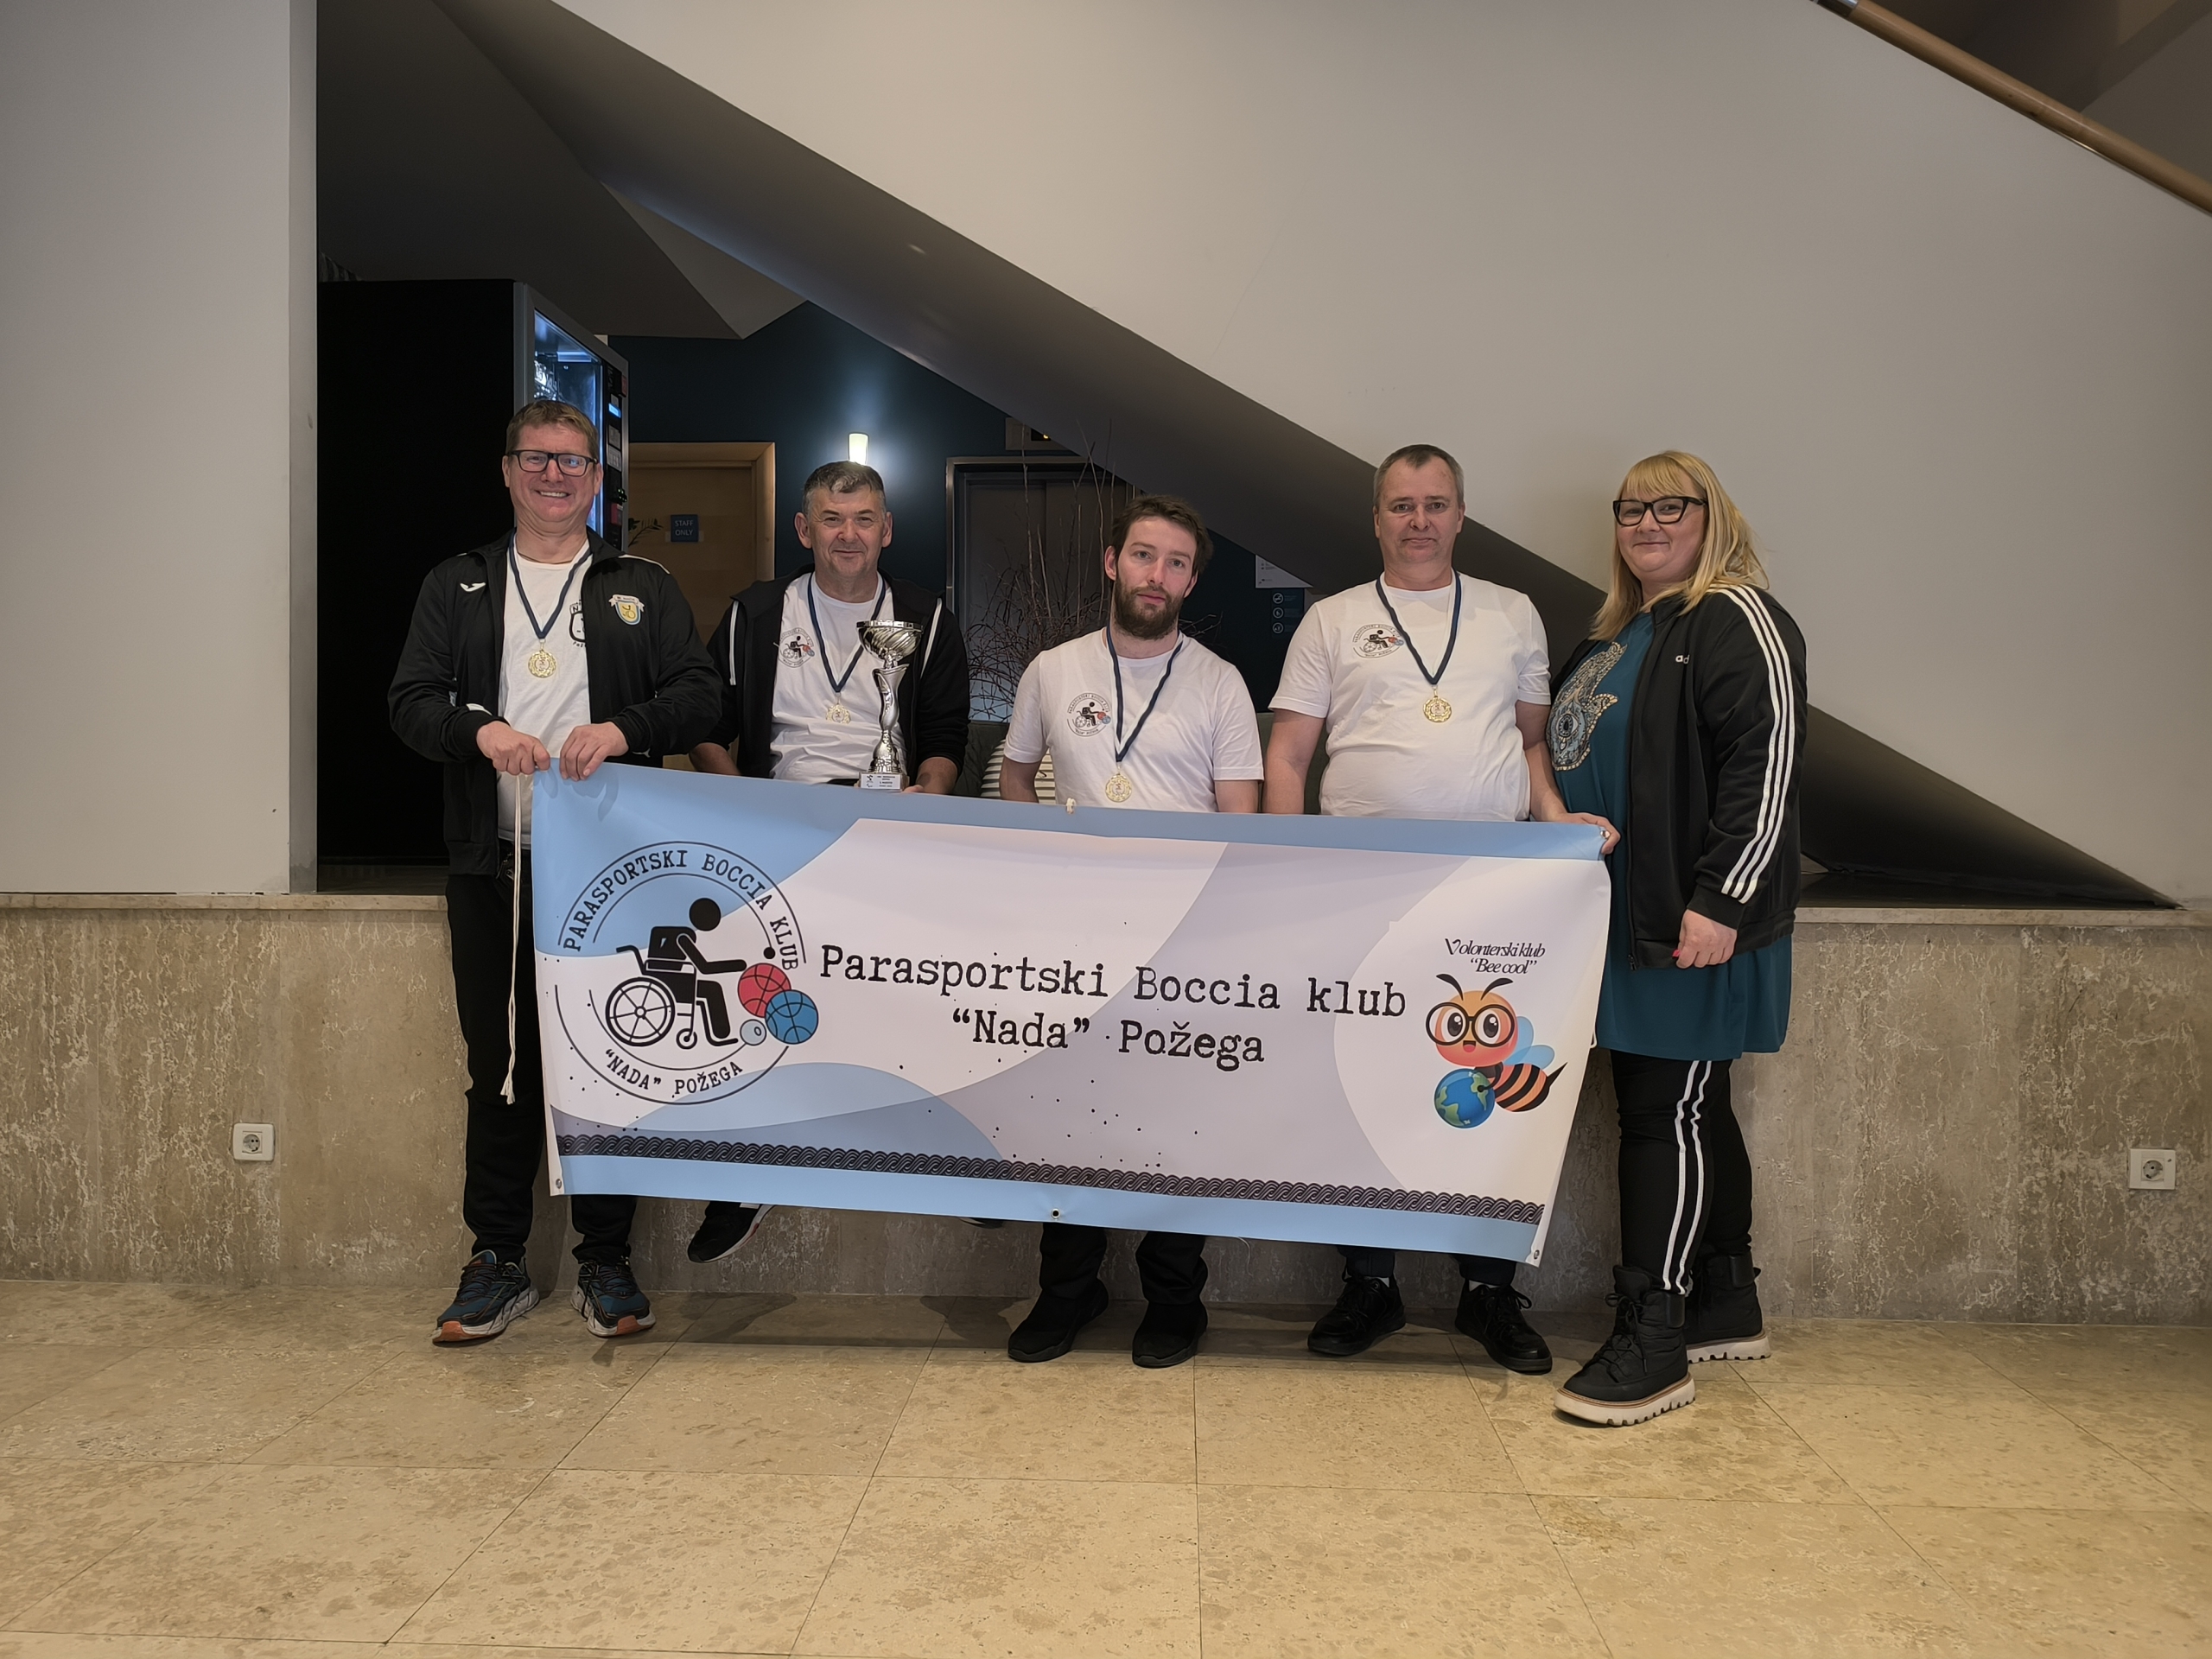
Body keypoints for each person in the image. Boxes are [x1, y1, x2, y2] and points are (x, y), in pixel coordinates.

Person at [1264, 443, 1612, 1369]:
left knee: (1493, 1078)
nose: (1417, 521)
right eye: (1400, 505)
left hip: (1490, 887)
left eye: (1435, 504)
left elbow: (1530, 745)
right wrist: (1284, 868)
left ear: (1461, 515)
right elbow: (1289, 756)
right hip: (1360, 888)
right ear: (1376, 519)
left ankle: (1488, 1292)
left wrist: (1557, 823)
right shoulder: (1333, 620)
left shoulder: (1512, 613)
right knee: (1363, 1077)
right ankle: (1369, 1284)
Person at [391, 397, 721, 1344]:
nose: (553, 475)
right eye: (536, 458)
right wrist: (478, 731)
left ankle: (605, 1262)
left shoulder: (640, 585)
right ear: (507, 471)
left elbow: (702, 696)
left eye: (572, 461)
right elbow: (410, 701)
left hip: (610, 875)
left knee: (612, 1061)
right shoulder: (457, 583)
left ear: (594, 479)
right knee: (499, 1067)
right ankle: (496, 1260)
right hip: (491, 867)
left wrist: (624, 729)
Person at [1548, 451, 1804, 1427]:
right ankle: (1724, 1299)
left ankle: (1653, 1341)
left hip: (1687, 916)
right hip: (1622, 916)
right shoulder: (1621, 631)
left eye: (1670, 506)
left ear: (1712, 516)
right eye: (1630, 509)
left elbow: (1765, 764)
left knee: (1667, 1113)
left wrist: (1721, 900)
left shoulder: (1735, 616)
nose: (1646, 523)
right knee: (1688, 1104)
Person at [997, 494, 1263, 1368]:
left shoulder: (1219, 683)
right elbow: (1016, 774)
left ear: (1191, 582)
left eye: (1177, 563)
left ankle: (1175, 1299)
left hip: (1181, 940)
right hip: (1072, 938)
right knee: (1065, 1116)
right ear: (1112, 562)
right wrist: (1041, 860)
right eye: (1144, 556)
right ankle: (1067, 1289)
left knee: (1174, 1126)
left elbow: (1240, 818)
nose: (1158, 575)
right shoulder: (1052, 670)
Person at [687, 458, 970, 1262]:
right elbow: (705, 720)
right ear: (804, 530)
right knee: (763, 1002)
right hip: (783, 828)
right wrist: (741, 803)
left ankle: (954, 1166)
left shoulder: (927, 617)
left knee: (918, 1001)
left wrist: (927, 792)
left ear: (888, 530)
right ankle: (746, 1176)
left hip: (892, 831)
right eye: (833, 519)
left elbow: (946, 734)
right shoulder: (755, 612)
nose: (849, 534)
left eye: (864, 519)